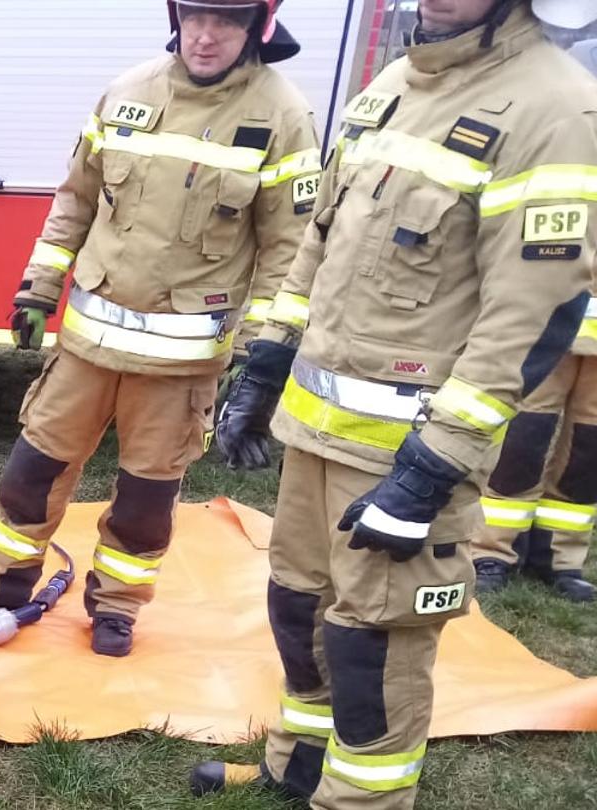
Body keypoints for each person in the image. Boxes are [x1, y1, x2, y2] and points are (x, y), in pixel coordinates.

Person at [195, 0, 597, 804]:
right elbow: (321, 238)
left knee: (374, 645)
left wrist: (435, 466)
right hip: (316, 432)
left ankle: (363, 798)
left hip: (409, 452)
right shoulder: (392, 82)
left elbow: (533, 315)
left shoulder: (557, 108)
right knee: (297, 607)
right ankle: (296, 764)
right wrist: (267, 361)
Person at [0, 0, 318, 658]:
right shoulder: (128, 91)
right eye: (195, 16)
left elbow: (288, 253)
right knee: (30, 475)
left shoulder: (283, 117)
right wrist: (39, 286)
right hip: (88, 348)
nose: (205, 35)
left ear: (257, 25)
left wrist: (259, 356)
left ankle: (115, 607)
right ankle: (0, 585)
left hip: (181, 366)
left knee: (145, 503)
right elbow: (76, 201)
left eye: (225, 21)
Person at [470, 282, 597, 602]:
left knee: (587, 453)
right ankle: (491, 550)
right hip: (547, 317)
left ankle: (560, 558)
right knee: (522, 441)